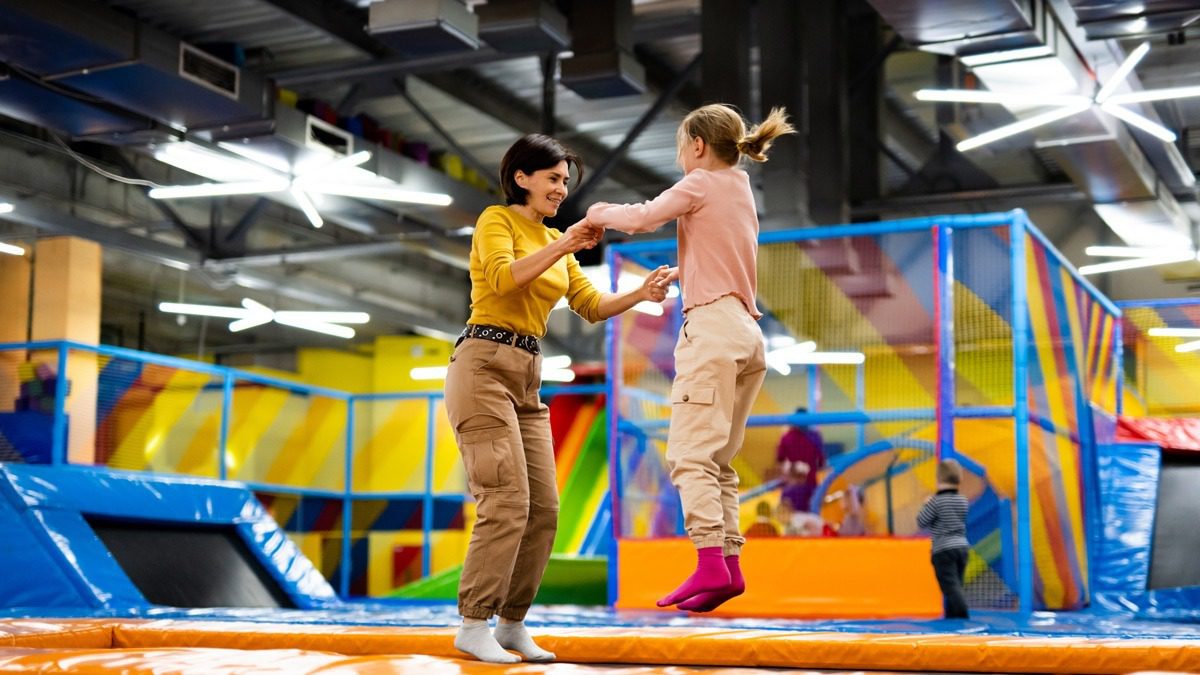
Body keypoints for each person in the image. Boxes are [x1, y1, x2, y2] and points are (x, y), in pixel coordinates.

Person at [445, 134, 674, 663]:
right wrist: (564, 243)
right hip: (483, 363)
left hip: (528, 373)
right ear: (522, 178)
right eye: (553, 178)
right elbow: (502, 281)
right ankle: (473, 622)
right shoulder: (496, 221)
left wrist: (641, 294)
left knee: (544, 509)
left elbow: (590, 306)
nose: (561, 188)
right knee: (505, 500)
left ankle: (511, 623)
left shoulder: (557, 242)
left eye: (565, 181)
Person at [586, 104, 795, 613]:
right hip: (747, 334)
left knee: (688, 456)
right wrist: (683, 271)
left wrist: (596, 213)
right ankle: (728, 567)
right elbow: (726, 247)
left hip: (713, 330)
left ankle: (707, 562)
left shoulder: (701, 182)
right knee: (718, 459)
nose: (683, 157)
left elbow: (640, 219)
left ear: (697, 146)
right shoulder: (740, 187)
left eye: (682, 147)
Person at [916, 458, 971, 619]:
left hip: (943, 549)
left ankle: (961, 614)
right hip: (961, 547)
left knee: (950, 587)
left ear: (939, 479)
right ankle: (953, 617)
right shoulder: (962, 500)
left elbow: (921, 521)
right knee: (956, 584)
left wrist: (926, 504)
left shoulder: (936, 502)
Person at [775, 407, 826, 513]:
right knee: (811, 516)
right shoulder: (815, 436)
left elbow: (779, 460)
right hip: (810, 485)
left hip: (793, 485)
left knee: (792, 519)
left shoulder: (786, 437)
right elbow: (821, 462)